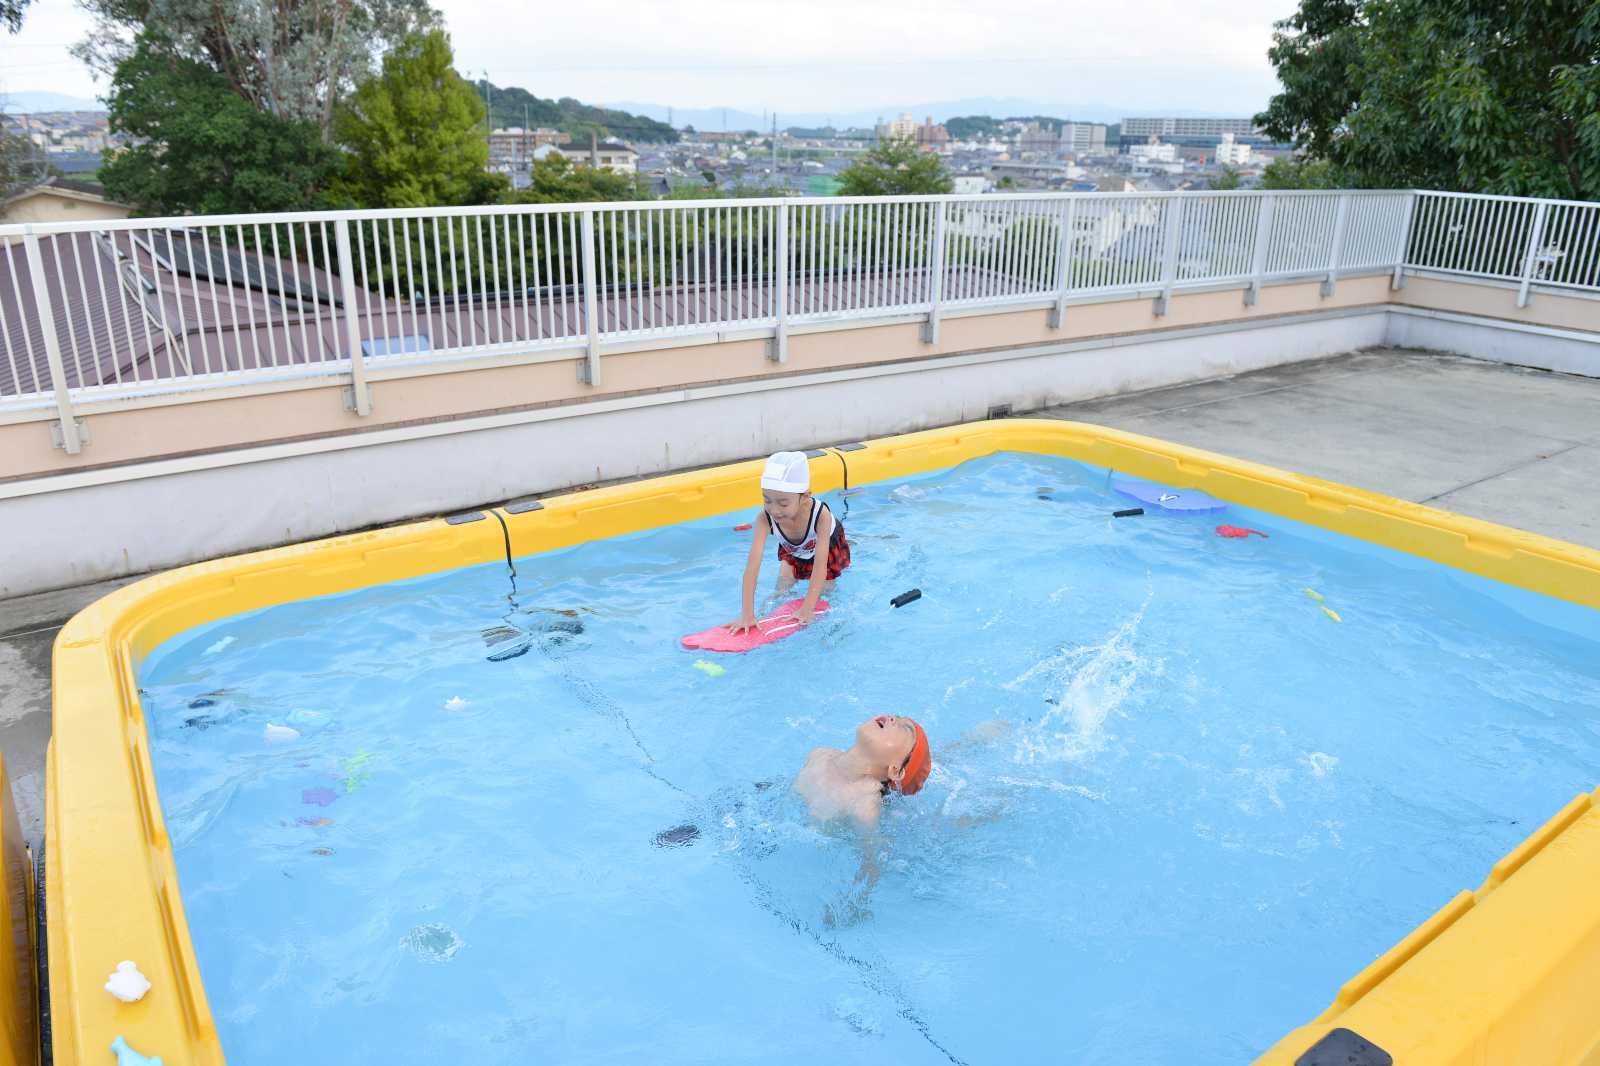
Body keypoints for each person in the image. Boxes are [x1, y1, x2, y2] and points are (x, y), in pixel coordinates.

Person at [727, 451, 851, 634]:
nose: (774, 510)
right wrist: (747, 614)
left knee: (825, 592)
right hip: (793, 548)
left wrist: (808, 608)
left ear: (805, 497)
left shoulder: (820, 516)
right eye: (767, 500)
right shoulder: (765, 518)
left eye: (783, 504)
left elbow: (820, 566)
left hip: (825, 548)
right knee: (781, 590)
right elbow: (752, 566)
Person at [795, 714, 932, 831]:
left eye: (906, 729)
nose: (893, 719)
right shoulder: (819, 755)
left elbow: (870, 859)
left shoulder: (864, 806)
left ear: (895, 770)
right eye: (897, 716)